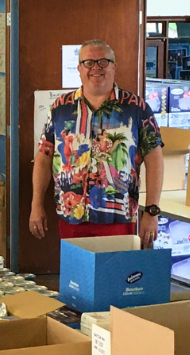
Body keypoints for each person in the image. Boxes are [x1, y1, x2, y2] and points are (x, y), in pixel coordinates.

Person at [29, 39, 164, 244]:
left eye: (103, 62)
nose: (96, 68)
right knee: (75, 266)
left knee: (116, 266)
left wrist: (152, 211)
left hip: (118, 218)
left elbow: (155, 160)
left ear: (114, 67)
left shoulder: (136, 108)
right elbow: (44, 156)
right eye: (88, 62)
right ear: (79, 69)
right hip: (71, 216)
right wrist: (36, 205)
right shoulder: (60, 107)